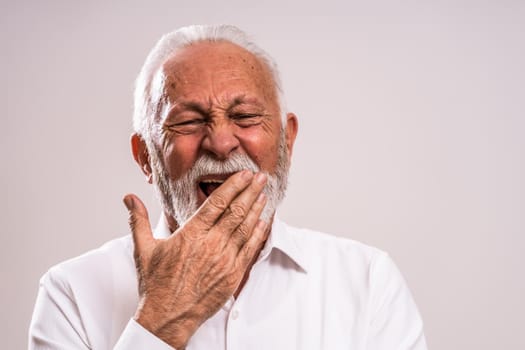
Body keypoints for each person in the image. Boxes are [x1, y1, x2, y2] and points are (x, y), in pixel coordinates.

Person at [29, 24, 427, 349]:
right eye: (187, 122)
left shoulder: (368, 280)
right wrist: (160, 321)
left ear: (287, 140)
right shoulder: (71, 294)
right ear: (145, 157)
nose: (220, 143)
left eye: (246, 116)